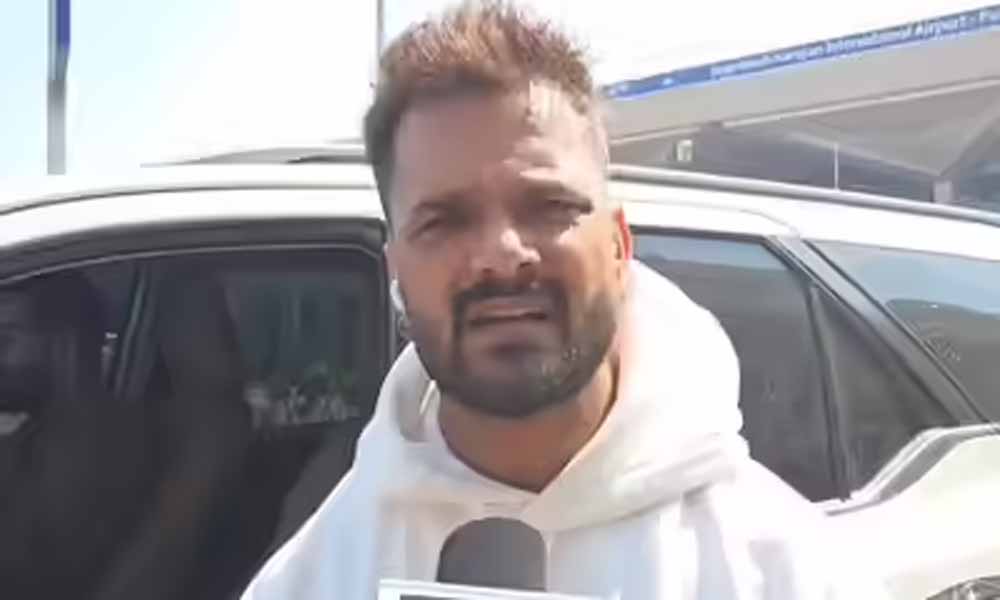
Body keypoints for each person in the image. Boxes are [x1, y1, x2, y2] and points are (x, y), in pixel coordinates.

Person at [242, 2, 886, 598]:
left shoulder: (791, 570)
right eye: (445, 220)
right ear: (397, 271)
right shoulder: (313, 578)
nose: (501, 253)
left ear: (619, 246)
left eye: (548, 206)